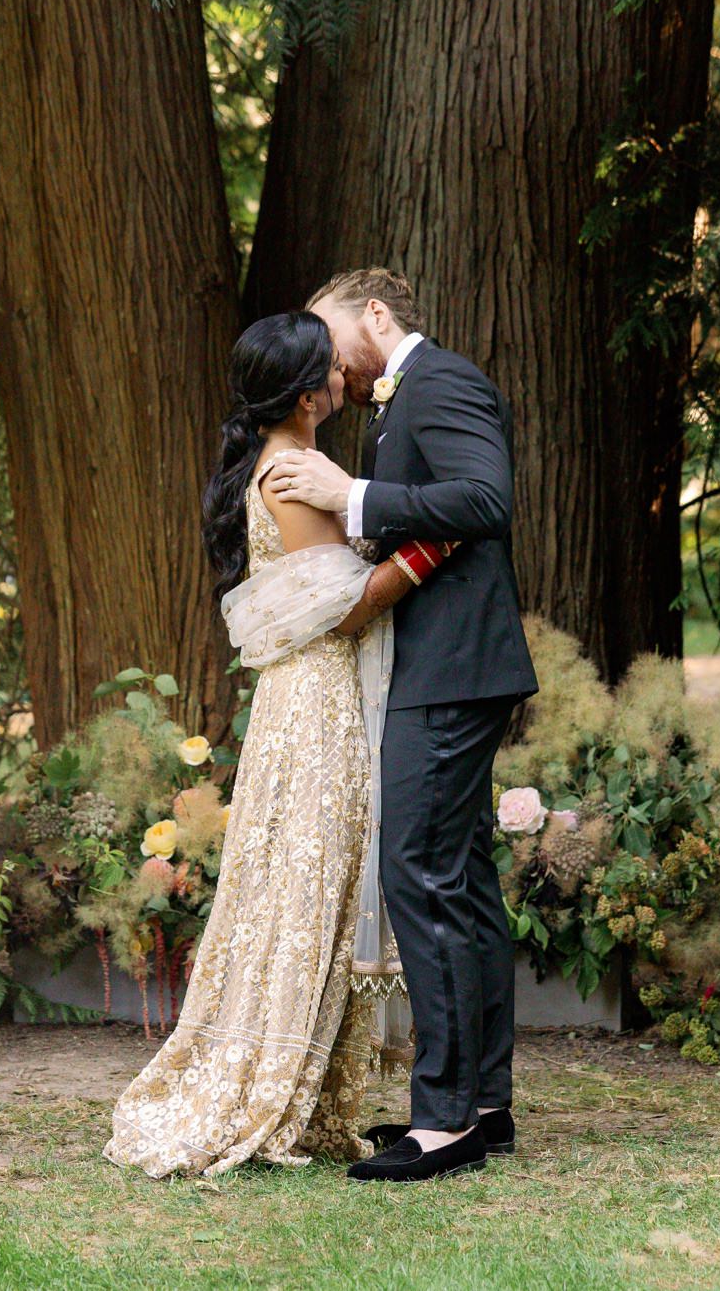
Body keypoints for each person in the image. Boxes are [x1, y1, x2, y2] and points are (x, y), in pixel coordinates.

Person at [104, 311, 455, 1179]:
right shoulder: (291, 477)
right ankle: (265, 1084)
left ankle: (312, 1091)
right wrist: (431, 546)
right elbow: (348, 602)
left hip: (305, 697)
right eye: (332, 373)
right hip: (315, 705)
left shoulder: (286, 463)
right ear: (306, 395)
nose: (345, 380)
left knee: (311, 888)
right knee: (303, 890)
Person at [266, 268, 536, 1182]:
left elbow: (486, 499)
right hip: (449, 662)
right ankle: (482, 1106)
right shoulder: (400, 400)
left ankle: (445, 1118)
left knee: (417, 871)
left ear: (376, 315)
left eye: (330, 334)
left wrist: (356, 498)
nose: (326, 360)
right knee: (459, 879)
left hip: (452, 666)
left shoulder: (442, 380)